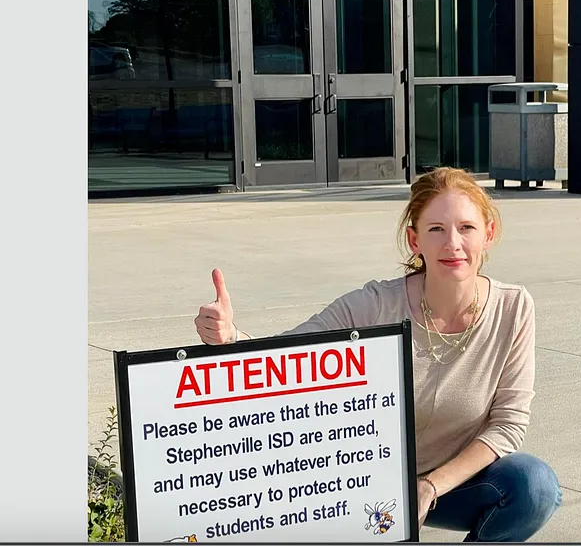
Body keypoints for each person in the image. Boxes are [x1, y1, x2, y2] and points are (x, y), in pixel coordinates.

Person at [195, 166, 561, 542]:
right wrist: (230, 337)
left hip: (448, 485)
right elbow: (288, 355)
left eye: (466, 228)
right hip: (361, 484)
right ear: (414, 240)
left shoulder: (513, 308)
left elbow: (508, 425)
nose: (453, 243)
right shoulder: (374, 306)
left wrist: (430, 487)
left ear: (489, 234)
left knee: (534, 486)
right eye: (436, 229)